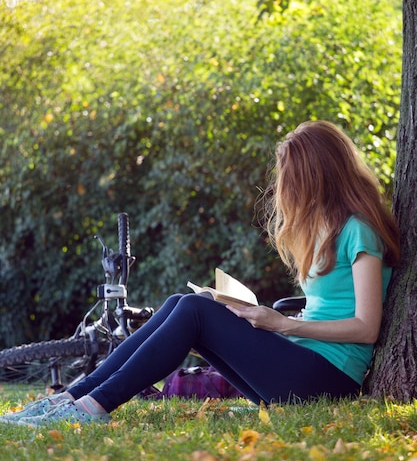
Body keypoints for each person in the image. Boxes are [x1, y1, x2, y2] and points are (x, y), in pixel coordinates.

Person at [1, 120, 400, 427]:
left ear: (321, 177)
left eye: (295, 179)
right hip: (302, 362)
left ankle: (92, 407)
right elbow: (327, 311)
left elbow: (366, 328)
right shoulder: (329, 229)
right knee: (187, 302)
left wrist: (281, 325)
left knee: (194, 309)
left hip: (328, 380)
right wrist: (274, 320)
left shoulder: (359, 231)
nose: (287, 189)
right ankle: (70, 399)